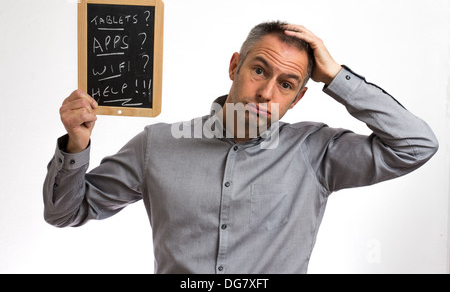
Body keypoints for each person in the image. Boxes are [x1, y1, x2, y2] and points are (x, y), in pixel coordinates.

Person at [43, 21, 438, 274]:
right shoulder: (157, 146)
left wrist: (335, 75)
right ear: (235, 66)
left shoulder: (317, 152)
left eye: (286, 84)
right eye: (259, 70)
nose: (266, 92)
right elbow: (66, 213)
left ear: (297, 99)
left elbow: (416, 145)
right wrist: (77, 143)